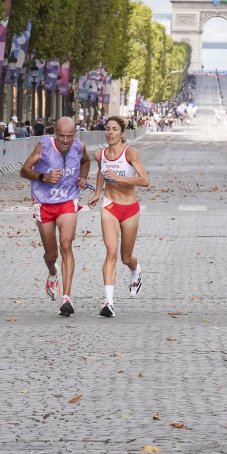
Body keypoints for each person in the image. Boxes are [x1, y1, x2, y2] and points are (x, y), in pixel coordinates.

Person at [20, 116, 91, 316]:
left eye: (69, 136)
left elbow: (85, 162)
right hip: (43, 202)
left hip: (68, 200)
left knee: (66, 245)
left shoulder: (80, 147)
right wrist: (44, 177)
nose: (66, 140)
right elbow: (24, 170)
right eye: (61, 136)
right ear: (55, 134)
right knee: (52, 255)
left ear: (75, 134)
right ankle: (52, 272)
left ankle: (66, 298)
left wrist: (83, 178)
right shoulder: (43, 146)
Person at [87, 116, 149, 317]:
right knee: (111, 252)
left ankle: (135, 270)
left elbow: (144, 180)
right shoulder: (100, 154)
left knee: (125, 257)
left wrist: (119, 177)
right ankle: (108, 303)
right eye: (107, 129)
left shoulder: (130, 153)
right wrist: (97, 192)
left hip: (130, 208)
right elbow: (101, 172)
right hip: (110, 206)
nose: (110, 133)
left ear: (122, 133)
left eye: (114, 129)